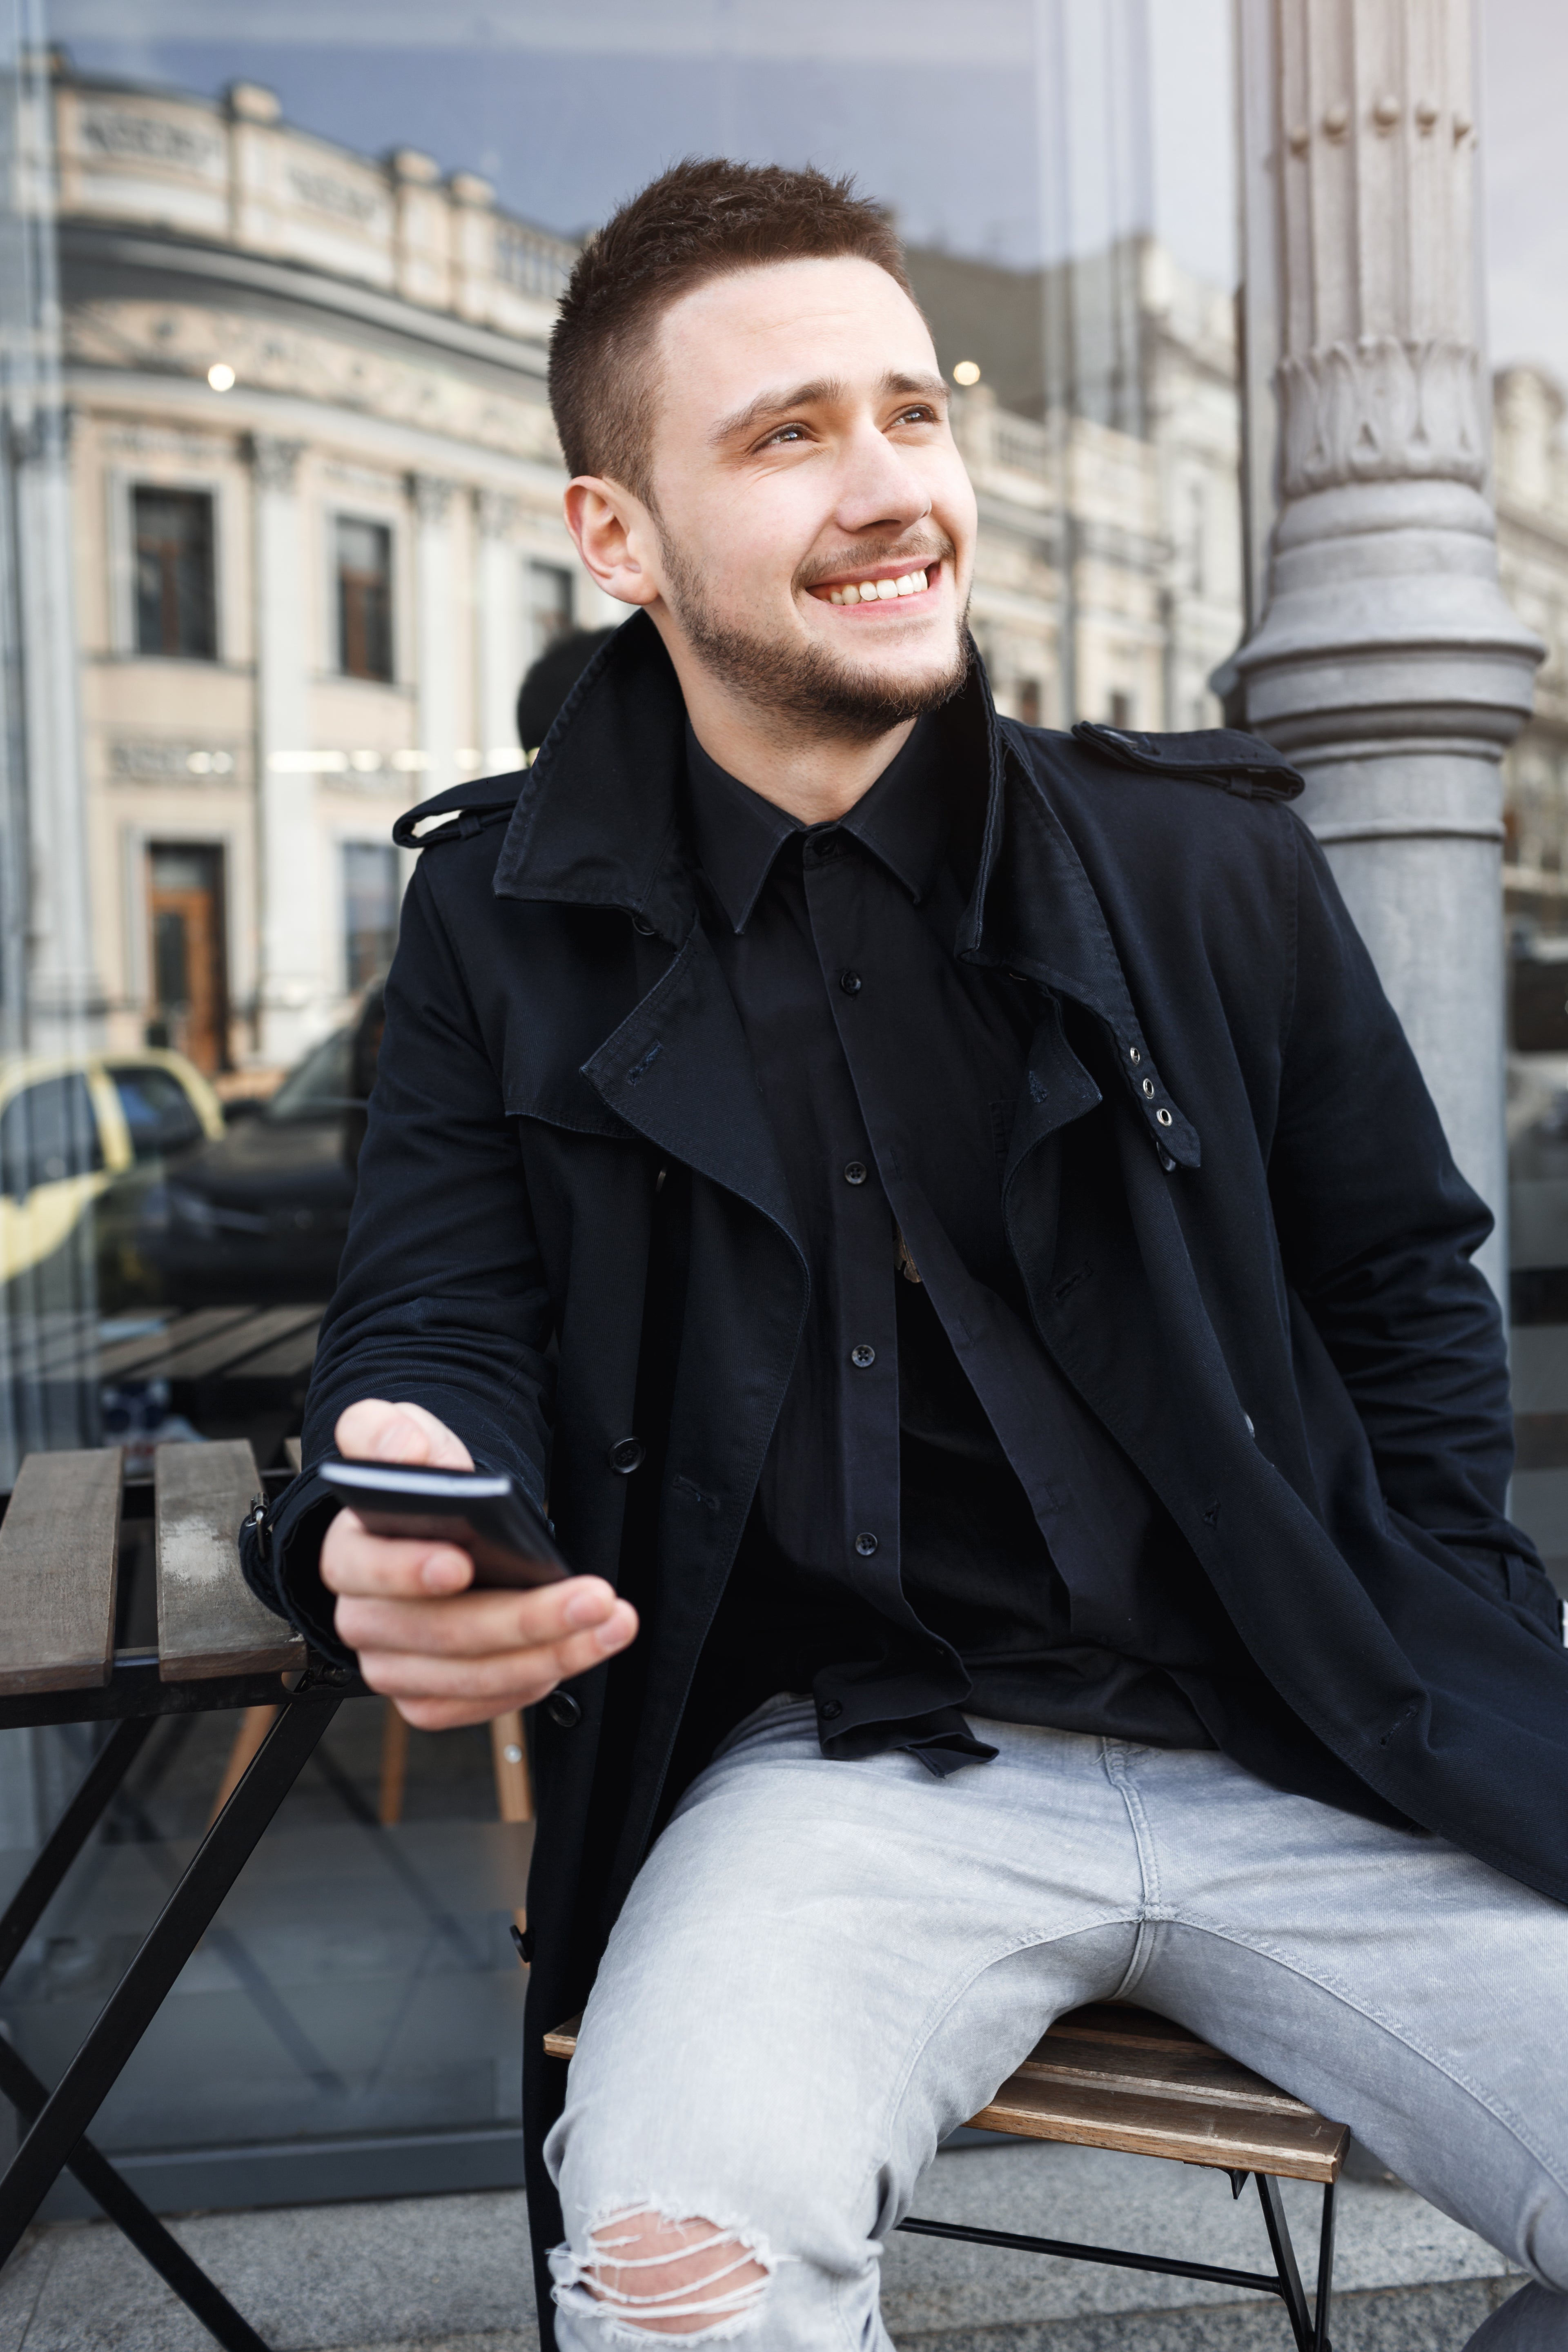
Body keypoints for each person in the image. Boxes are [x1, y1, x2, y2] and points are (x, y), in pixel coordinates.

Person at [242, 159, 1568, 2351]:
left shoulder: (1202, 861)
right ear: (617, 538)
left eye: (912, 413)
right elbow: (434, 1313)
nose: (891, 490)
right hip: (842, 1779)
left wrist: (1453, 1620)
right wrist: (382, 1503)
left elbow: (1405, 1283)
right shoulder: (501, 918)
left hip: (1314, 1723)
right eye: (788, 435)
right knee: (683, 2290)